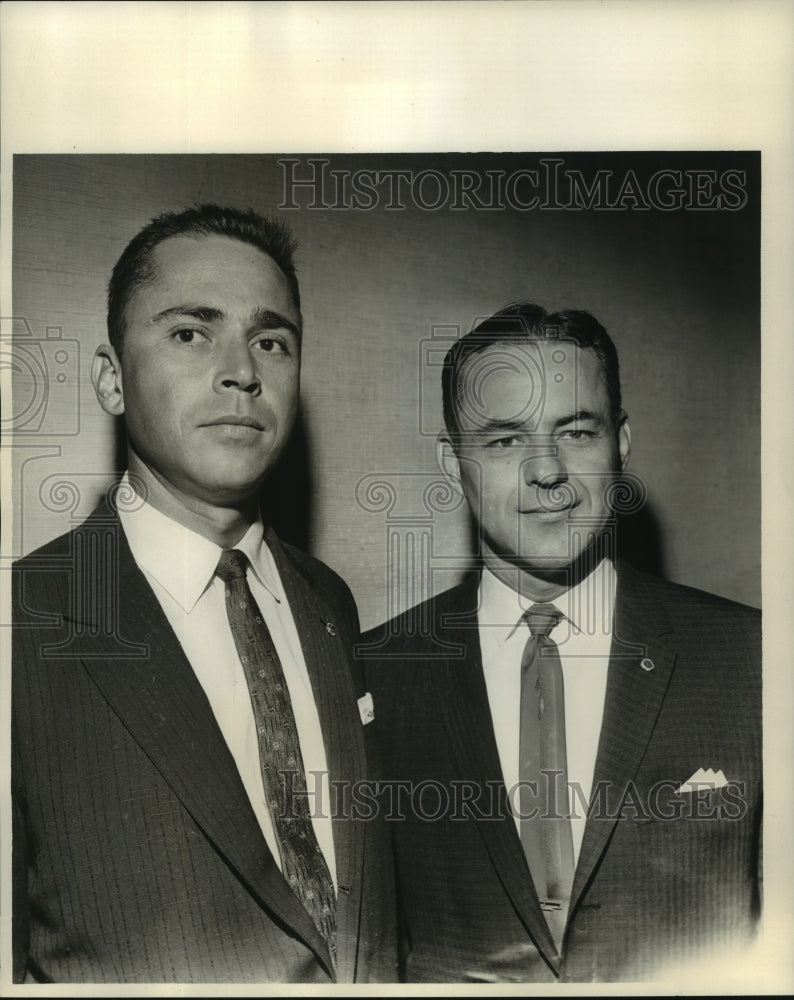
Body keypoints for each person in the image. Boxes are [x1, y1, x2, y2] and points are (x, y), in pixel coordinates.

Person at [12, 204, 396, 984]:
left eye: (270, 340)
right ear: (112, 380)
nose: (242, 370)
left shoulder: (330, 604)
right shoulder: (23, 622)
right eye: (191, 332)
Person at [361, 302, 761, 983]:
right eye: (504, 441)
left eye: (576, 431)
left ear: (621, 442)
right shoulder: (373, 675)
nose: (547, 471)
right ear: (453, 463)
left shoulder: (754, 657)